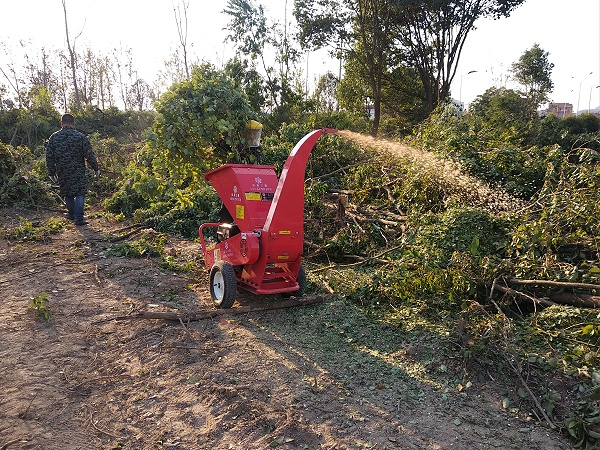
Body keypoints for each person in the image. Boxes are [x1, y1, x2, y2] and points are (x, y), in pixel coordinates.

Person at [46, 113, 99, 226]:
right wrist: (96, 168)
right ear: (73, 124)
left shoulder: (54, 138)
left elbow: (49, 156)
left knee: (67, 192)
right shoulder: (80, 137)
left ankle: (71, 213)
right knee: (80, 192)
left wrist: (51, 172)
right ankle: (78, 217)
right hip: (78, 169)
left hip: (62, 170)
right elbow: (89, 154)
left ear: (61, 123)